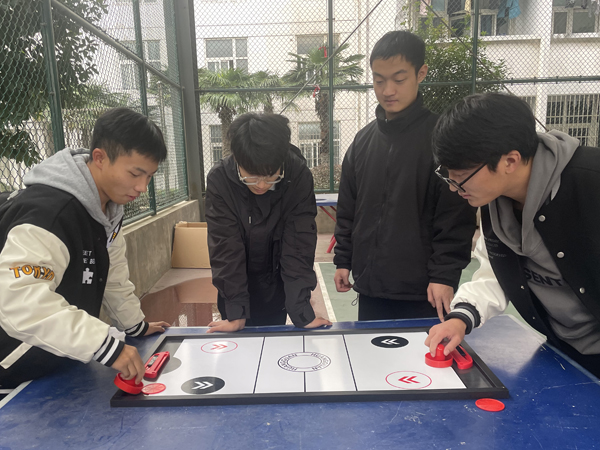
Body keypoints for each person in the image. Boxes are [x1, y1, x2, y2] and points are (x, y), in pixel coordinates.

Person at [425, 92, 600, 378]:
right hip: (564, 350)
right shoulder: (496, 200)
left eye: (461, 175)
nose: (453, 187)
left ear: (510, 161)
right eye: (448, 174)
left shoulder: (590, 184)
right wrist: (460, 318)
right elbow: (496, 273)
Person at [0, 108, 170, 390]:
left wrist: (134, 325)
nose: (142, 187)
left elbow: (112, 271)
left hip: (54, 364)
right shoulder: (50, 213)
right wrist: (103, 344)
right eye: (135, 173)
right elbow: (20, 299)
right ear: (100, 158)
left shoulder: (107, 207)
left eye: (149, 176)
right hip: (11, 372)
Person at [333, 30, 476, 321]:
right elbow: (348, 207)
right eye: (379, 80)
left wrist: (444, 275)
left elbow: (455, 218)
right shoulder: (362, 141)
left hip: (424, 291)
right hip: (370, 287)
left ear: (421, 73)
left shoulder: (443, 140)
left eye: (399, 79)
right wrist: (343, 259)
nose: (388, 90)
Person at [204, 113, 332, 332]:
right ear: (237, 159)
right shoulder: (220, 180)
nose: (261, 185)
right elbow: (226, 248)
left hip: (276, 283)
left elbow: (298, 243)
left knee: (273, 337)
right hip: (235, 283)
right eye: (252, 176)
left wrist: (302, 312)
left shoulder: (297, 175)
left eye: (271, 176)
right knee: (238, 339)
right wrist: (235, 312)